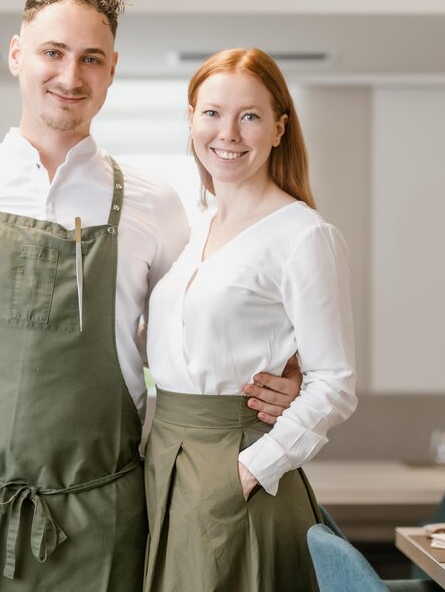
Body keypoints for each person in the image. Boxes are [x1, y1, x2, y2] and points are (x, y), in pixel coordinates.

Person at [0, 0, 301, 592]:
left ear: (111, 69)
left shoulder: (156, 203)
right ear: (17, 53)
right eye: (53, 52)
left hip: (101, 519)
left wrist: (285, 377)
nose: (70, 76)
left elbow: (203, 331)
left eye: (90, 59)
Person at [143, 48, 358, 592]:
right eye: (212, 112)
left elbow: (335, 384)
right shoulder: (192, 231)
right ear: (191, 119)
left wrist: (249, 471)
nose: (228, 133)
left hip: (239, 470)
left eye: (250, 116)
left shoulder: (303, 236)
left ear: (279, 128)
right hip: (163, 462)